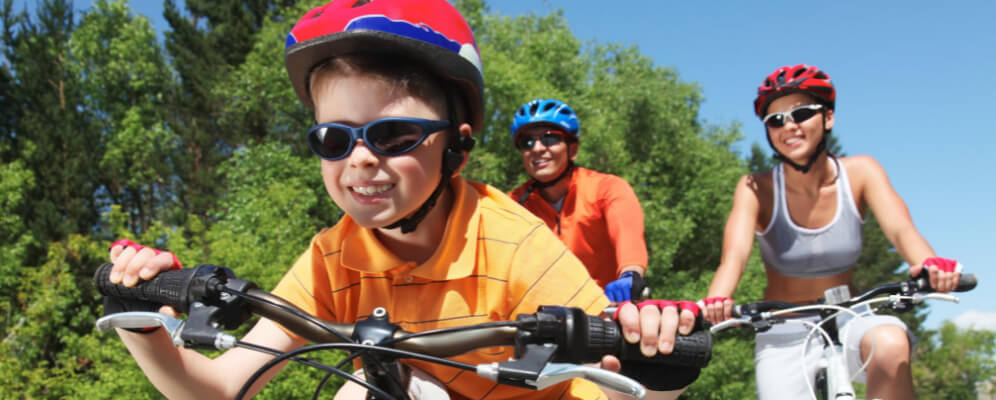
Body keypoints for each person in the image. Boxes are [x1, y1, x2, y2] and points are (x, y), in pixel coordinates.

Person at [100, 1, 702, 399]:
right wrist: (140, 321)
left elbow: (620, 388)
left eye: (392, 135)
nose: (359, 158)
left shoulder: (516, 244)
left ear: (457, 149)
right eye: (333, 138)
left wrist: (661, 366)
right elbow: (221, 387)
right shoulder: (333, 255)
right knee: (364, 385)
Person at [701, 64, 963, 399]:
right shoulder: (756, 188)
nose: (789, 126)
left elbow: (900, 230)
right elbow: (733, 258)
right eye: (775, 120)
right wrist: (715, 301)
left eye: (801, 113)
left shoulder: (861, 172)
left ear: (828, 118)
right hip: (784, 328)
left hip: (852, 317)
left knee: (890, 343)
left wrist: (930, 265)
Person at [508, 99, 649, 303]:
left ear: (572, 149)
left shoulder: (607, 188)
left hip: (608, 311)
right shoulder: (514, 205)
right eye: (527, 142)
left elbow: (628, 238)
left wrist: (630, 274)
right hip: (546, 318)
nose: (537, 148)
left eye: (549, 139)